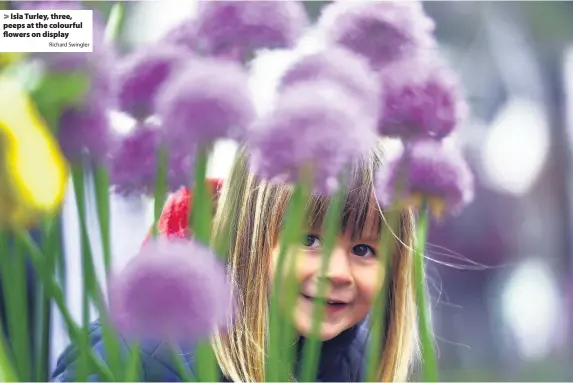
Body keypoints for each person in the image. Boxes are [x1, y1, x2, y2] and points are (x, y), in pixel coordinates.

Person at [51, 143, 420, 382]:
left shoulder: (356, 361)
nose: (338, 273)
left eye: (363, 250)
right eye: (309, 240)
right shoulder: (138, 356)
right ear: (249, 236)